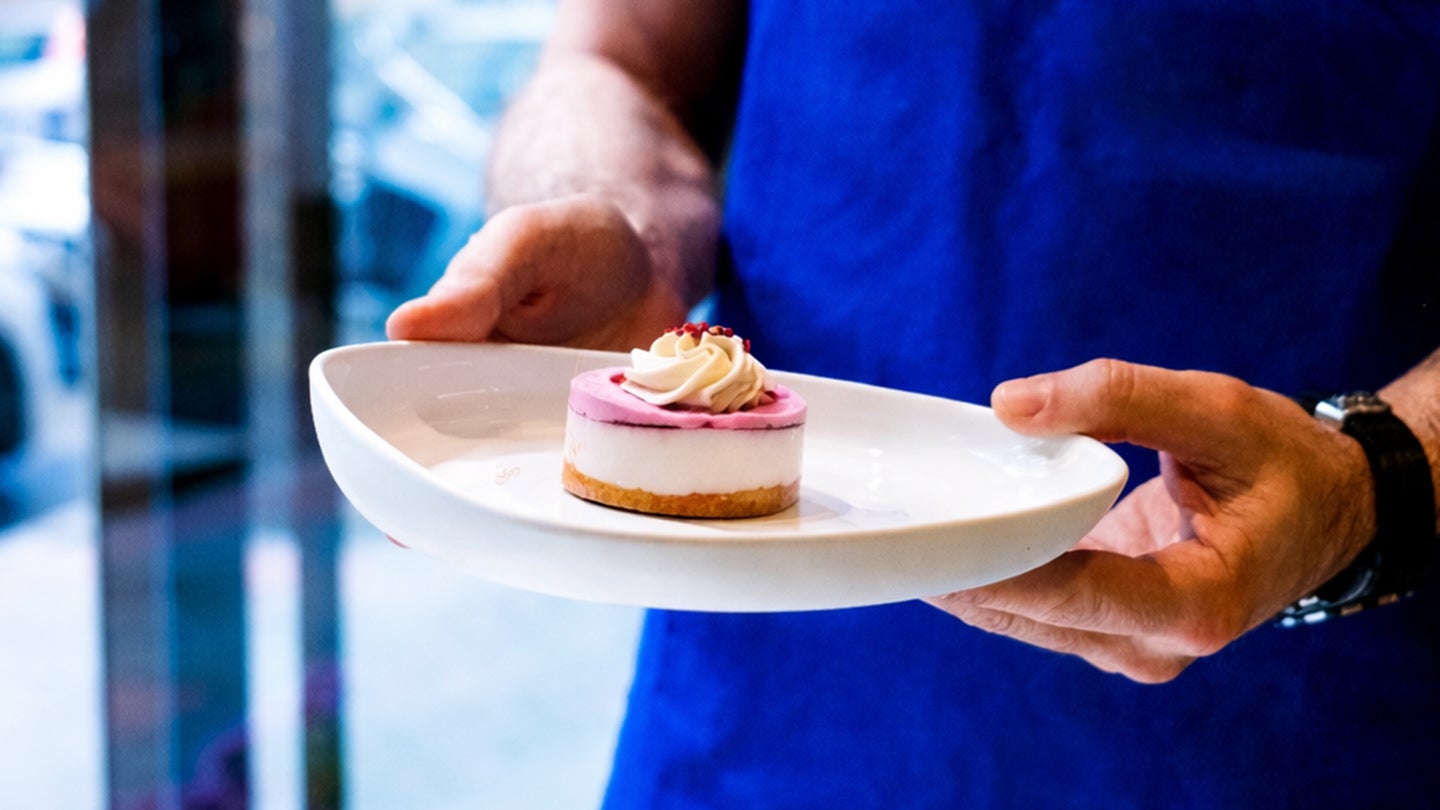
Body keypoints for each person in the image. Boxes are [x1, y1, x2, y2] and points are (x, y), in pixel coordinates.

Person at [387, 1, 1440, 806]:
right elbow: (615, 56)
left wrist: (1371, 483)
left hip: (1307, 689)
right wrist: (618, 217)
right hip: (761, 703)